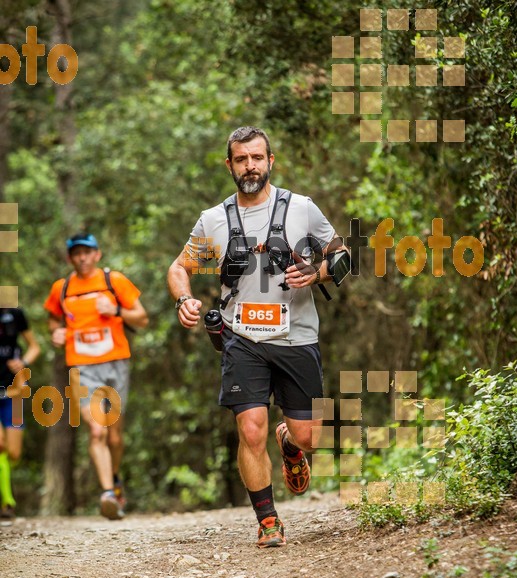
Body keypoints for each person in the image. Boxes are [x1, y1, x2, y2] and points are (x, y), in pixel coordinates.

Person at [168, 126, 349, 548]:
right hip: (241, 336)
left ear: (271, 161)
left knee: (308, 437)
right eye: (241, 159)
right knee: (250, 430)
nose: (250, 166)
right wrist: (183, 299)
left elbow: (342, 254)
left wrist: (317, 272)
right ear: (229, 164)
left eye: (257, 157)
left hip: (297, 336)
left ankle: (289, 440)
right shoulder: (212, 219)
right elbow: (180, 268)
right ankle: (268, 520)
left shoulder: (302, 208)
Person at [44, 233, 148, 519]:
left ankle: (114, 480)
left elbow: (142, 317)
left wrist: (115, 309)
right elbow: (52, 318)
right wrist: (55, 332)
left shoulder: (113, 281)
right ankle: (107, 494)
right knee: (97, 429)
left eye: (87, 252)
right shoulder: (62, 288)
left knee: (114, 436)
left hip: (115, 362)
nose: (82, 258)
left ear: (97, 254)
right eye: (76, 253)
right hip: (81, 367)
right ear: (70, 258)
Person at [0, 307, 40, 518]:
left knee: (13, 453)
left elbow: (34, 347)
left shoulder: (15, 313)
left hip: (13, 392)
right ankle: (7, 502)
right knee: (0, 444)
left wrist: (23, 363)